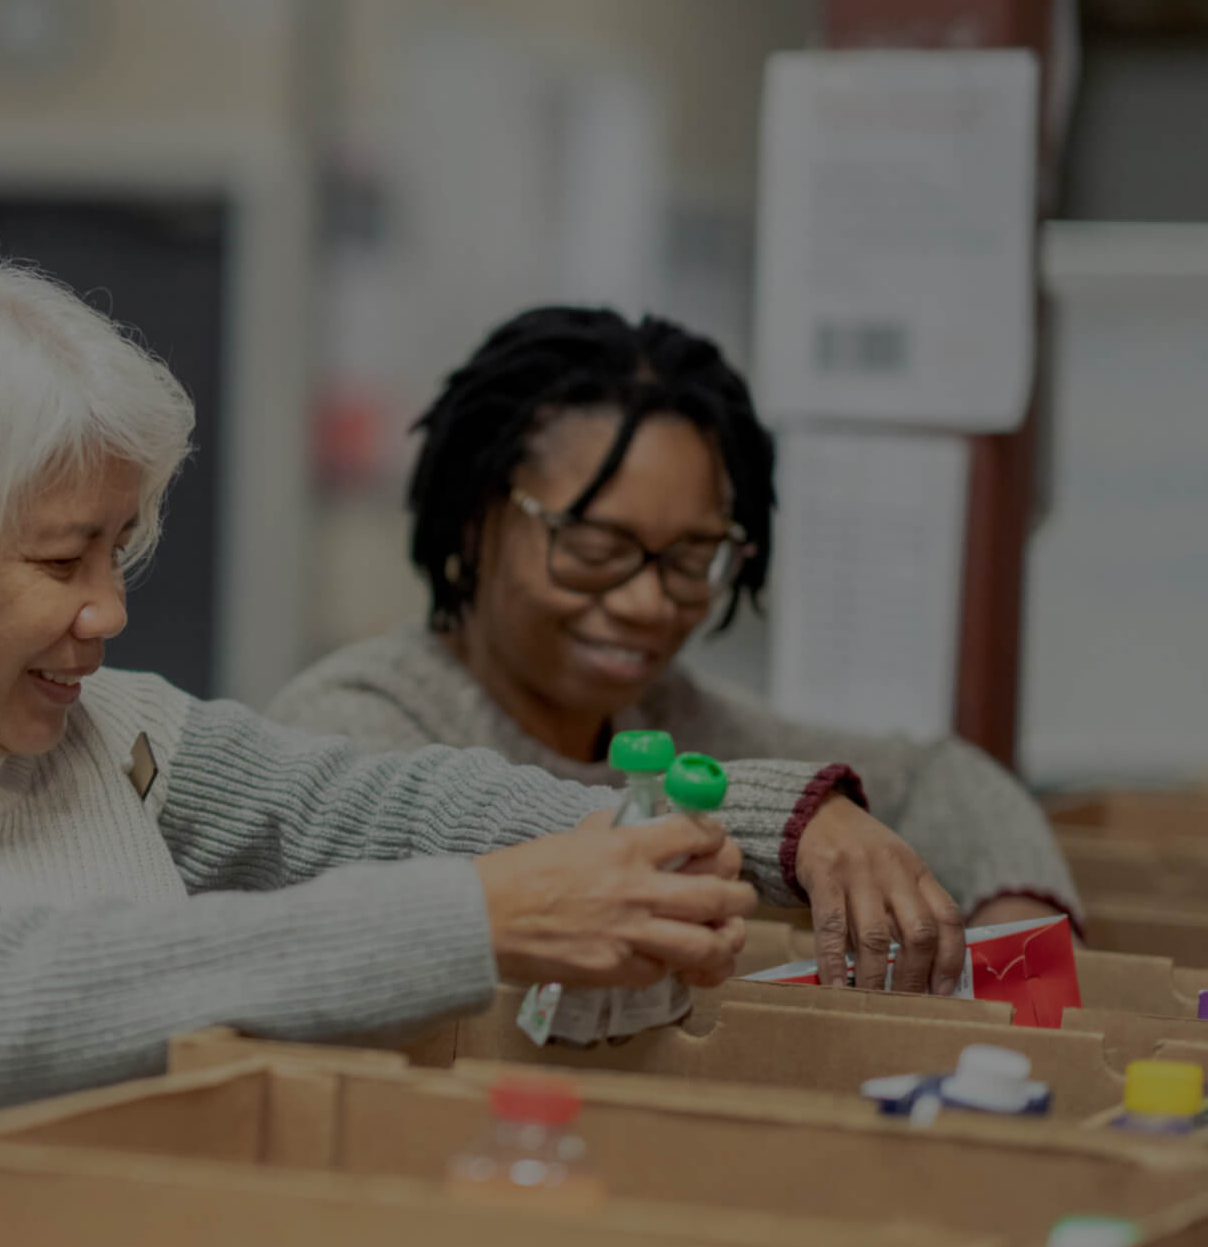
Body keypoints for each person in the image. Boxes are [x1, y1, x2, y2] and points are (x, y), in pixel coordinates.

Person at [0, 249, 950, 1117]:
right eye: (61, 559)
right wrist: (471, 920)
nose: (107, 610)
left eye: (117, 549)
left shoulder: (96, 736)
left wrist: (742, 829)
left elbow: (362, 807)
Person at [269, 305, 1074, 990]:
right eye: (591, 548)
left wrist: (1015, 916)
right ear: (476, 521)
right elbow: (470, 844)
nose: (645, 603)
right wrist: (783, 823)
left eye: (692, 560)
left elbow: (940, 779)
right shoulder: (349, 718)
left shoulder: (664, 714)